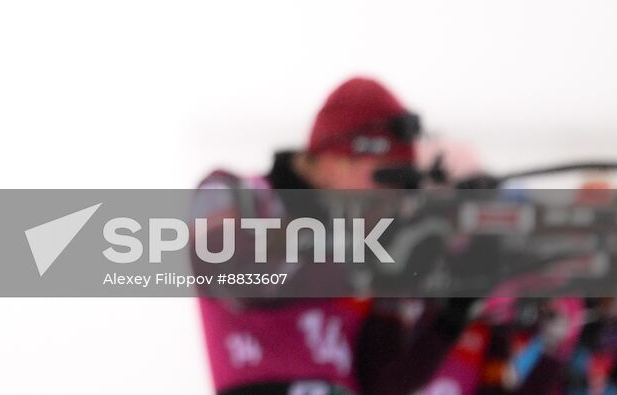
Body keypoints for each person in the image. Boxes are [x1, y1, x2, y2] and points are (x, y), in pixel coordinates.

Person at [195, 76, 473, 395]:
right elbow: (233, 277)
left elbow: (383, 382)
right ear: (337, 157)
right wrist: (365, 262)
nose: (394, 198)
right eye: (388, 177)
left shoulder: (368, 240)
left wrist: (453, 309)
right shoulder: (232, 193)